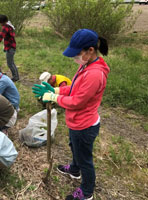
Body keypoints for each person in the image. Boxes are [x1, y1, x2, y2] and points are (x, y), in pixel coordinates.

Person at [32, 29, 110, 200]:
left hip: (84, 125)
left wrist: (53, 97)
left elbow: (78, 101)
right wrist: (56, 89)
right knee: (74, 147)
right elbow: (74, 88)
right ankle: (74, 170)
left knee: (85, 159)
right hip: (76, 123)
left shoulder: (95, 74)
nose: (75, 58)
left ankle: (87, 191)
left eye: (77, 54)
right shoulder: (86, 66)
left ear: (90, 50)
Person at [0, 15, 19, 82]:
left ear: (3, 22)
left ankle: (15, 77)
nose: (0, 24)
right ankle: (16, 76)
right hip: (11, 47)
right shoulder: (9, 25)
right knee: (12, 63)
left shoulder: (6, 27)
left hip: (10, 48)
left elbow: (1, 36)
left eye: (1, 22)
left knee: (10, 63)